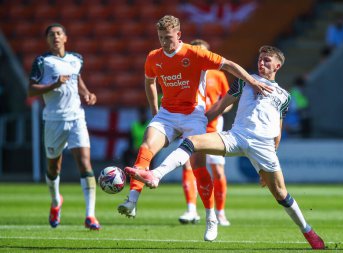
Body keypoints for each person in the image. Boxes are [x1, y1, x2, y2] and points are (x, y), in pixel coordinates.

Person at [125, 45, 326, 249]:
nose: (262, 62)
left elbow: (278, 129)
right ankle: (156, 175)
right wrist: (201, 119)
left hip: (264, 146)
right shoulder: (244, 81)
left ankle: (308, 232)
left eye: (267, 60)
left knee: (281, 194)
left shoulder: (284, 96)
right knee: (192, 142)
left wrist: (268, 161)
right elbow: (222, 105)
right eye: (260, 58)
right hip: (236, 136)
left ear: (278, 65)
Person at [117, 15, 273, 242]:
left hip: (193, 115)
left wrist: (253, 81)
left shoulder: (195, 53)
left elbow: (229, 64)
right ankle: (131, 201)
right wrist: (154, 110)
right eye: (161, 38)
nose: (165, 42)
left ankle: (211, 218)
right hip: (167, 114)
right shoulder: (153, 57)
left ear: (179, 35)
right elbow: (149, 81)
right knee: (145, 148)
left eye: (169, 38)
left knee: (197, 166)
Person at [28, 23, 100, 230]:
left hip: (76, 117)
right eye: (51, 35)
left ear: (66, 38)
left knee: (85, 164)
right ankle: (56, 201)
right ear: (47, 40)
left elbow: (77, 79)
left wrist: (86, 92)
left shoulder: (76, 59)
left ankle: (90, 216)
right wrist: (53, 85)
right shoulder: (42, 62)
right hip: (53, 120)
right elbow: (31, 90)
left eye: (59, 34)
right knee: (53, 167)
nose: (55, 37)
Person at [178, 39, 231, 226]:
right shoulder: (184, 73)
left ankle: (221, 212)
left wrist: (215, 113)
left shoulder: (218, 75)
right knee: (187, 166)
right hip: (191, 126)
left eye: (203, 53)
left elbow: (228, 100)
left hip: (213, 127)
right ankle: (191, 210)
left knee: (217, 170)